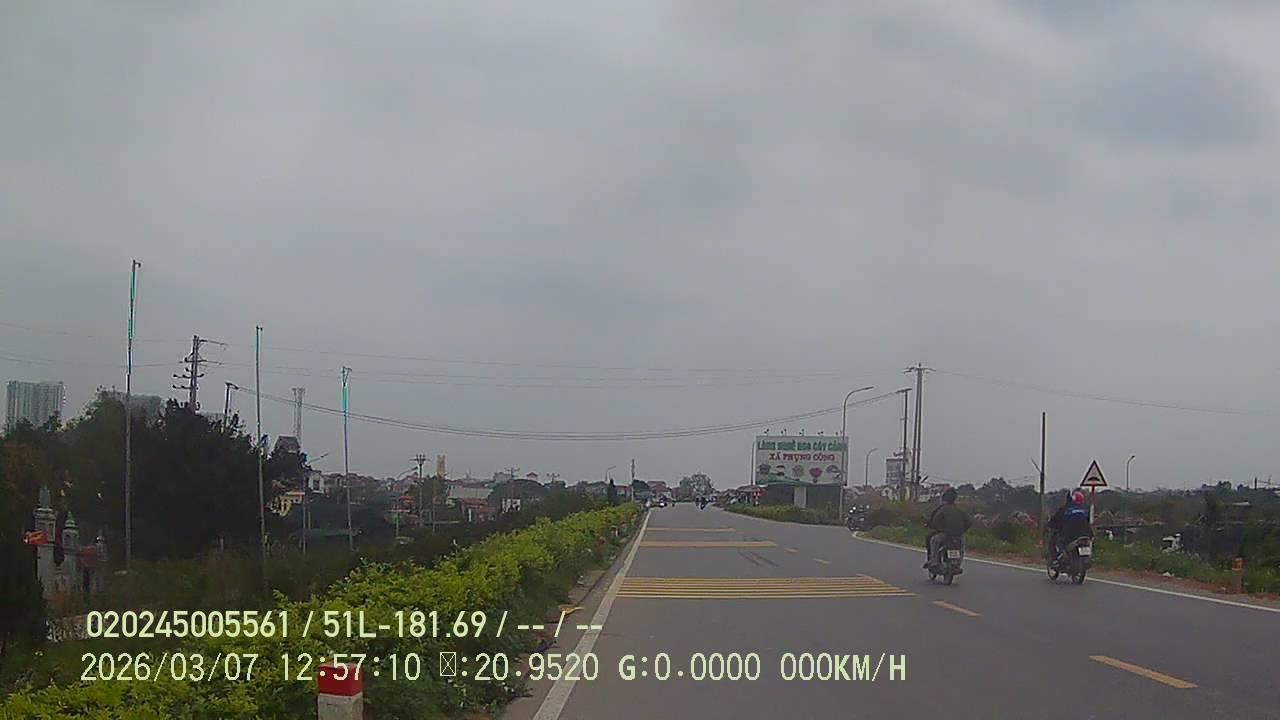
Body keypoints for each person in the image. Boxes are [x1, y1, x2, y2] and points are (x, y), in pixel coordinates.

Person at [924, 488, 970, 569]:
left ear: (944, 498)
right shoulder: (960, 510)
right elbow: (968, 523)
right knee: (961, 547)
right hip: (958, 536)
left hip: (945, 535)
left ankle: (933, 561)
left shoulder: (941, 509)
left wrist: (933, 526)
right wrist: (962, 531)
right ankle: (958, 563)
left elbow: (935, 521)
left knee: (933, 541)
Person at [1047, 490, 1092, 566]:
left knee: (1058, 541)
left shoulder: (1065, 509)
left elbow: (1055, 520)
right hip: (1086, 533)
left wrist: (1050, 524)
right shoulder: (1086, 509)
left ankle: (1061, 556)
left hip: (1070, 534)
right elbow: (1088, 521)